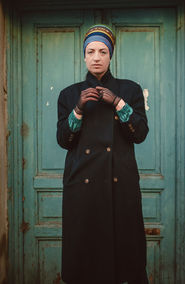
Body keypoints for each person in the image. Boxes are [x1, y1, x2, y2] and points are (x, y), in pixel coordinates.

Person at [57, 25, 149, 284]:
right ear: (84, 56)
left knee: (126, 259)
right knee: (85, 259)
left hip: (120, 186)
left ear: (111, 56)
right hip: (82, 188)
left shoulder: (129, 90)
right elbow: (64, 140)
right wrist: (77, 110)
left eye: (103, 51)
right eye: (91, 51)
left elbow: (140, 134)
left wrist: (118, 103)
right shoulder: (69, 94)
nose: (96, 57)